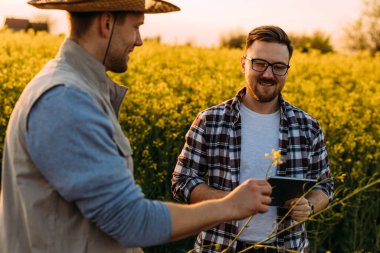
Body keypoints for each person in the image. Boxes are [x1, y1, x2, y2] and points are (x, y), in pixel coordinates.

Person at [0, 1, 274, 253]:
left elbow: (97, 213)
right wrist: (230, 206)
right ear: (106, 23)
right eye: (136, 27)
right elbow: (131, 220)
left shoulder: (77, 89)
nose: (140, 40)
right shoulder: (67, 98)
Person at [172, 25, 334, 253]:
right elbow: (182, 180)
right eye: (259, 64)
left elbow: (325, 184)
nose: (268, 74)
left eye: (278, 67)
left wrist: (308, 205)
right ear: (243, 64)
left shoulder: (308, 127)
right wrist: (230, 201)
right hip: (219, 246)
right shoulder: (210, 120)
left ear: (287, 70)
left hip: (287, 247)